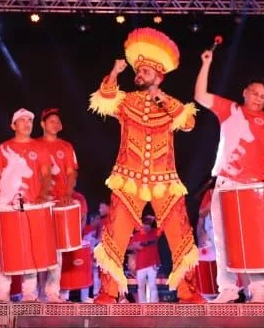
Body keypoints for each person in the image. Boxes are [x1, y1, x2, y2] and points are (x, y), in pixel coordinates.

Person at [88, 27, 205, 304]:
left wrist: (162, 99)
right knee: (114, 235)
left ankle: (189, 292)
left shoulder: (170, 103)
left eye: (145, 72)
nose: (139, 75)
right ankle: (108, 292)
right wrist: (115, 73)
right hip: (128, 178)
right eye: (137, 71)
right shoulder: (126, 101)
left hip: (165, 180)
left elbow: (189, 123)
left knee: (181, 236)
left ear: (159, 76)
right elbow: (104, 99)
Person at [194, 48, 264, 303]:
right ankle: (227, 289)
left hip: (253, 187)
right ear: (245, 93)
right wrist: (206, 64)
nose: (259, 99)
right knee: (222, 237)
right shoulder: (230, 109)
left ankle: (259, 289)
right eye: (255, 94)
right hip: (225, 182)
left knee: (254, 239)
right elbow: (200, 96)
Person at [0, 109, 52, 301]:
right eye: (22, 120)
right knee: (4, 249)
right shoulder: (3, 148)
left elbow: (46, 173)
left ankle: (29, 292)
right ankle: (2, 290)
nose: (26, 124)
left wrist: (42, 194)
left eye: (29, 121)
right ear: (13, 125)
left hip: (31, 204)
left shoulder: (39, 147)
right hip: (5, 205)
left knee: (30, 246)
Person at [37, 107, 79, 302]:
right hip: (38, 203)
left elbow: (72, 173)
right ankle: (36, 292)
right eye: (50, 121)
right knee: (39, 247)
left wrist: (68, 193)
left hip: (59, 202)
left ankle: (52, 291)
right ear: (42, 124)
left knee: (57, 249)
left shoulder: (66, 147)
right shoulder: (34, 145)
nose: (54, 124)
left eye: (57, 121)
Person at [130, 214, 161, 302]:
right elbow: (129, 247)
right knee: (140, 287)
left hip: (152, 264)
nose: (147, 226)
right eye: (146, 224)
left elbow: (163, 225)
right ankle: (142, 305)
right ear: (142, 224)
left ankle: (153, 306)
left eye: (149, 225)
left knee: (152, 286)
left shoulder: (155, 232)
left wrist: (156, 219)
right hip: (141, 265)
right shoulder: (136, 235)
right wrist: (135, 246)